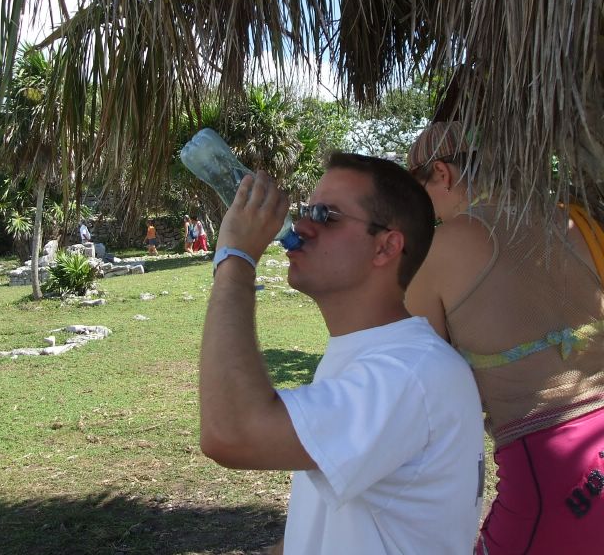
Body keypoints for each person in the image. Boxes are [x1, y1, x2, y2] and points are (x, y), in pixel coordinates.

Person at [200, 152, 485, 554]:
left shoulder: (409, 373)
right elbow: (335, 522)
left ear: (385, 247)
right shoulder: (370, 356)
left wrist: (235, 258)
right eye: (306, 211)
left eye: (326, 215)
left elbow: (231, 434)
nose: (300, 226)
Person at [405, 121, 604, 554]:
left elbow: (427, 394)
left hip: (554, 482)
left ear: (441, 173)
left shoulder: (444, 249)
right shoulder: (576, 222)